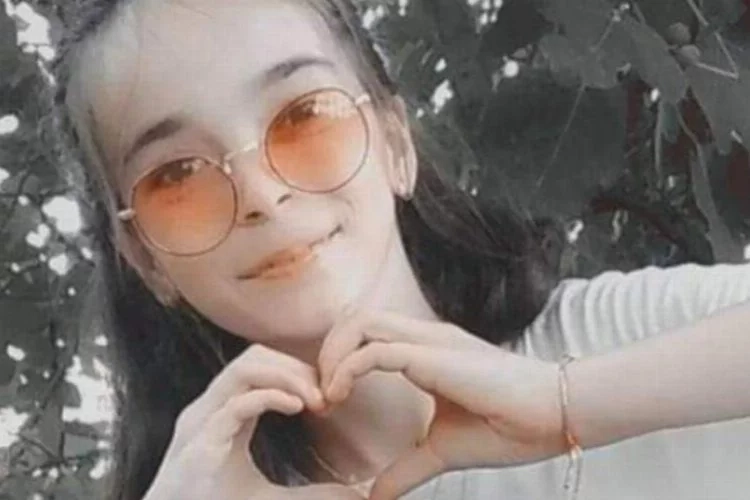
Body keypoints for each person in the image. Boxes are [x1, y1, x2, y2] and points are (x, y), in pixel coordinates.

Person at [44, 0, 750, 499]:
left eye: (304, 115)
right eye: (177, 177)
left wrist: (565, 403)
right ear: (146, 259)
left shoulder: (624, 338)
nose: (262, 193)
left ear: (395, 144)